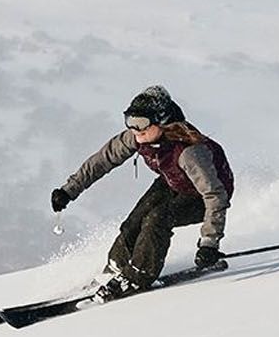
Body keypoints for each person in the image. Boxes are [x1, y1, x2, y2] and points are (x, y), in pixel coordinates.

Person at [50, 86, 234, 297]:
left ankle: (138, 276)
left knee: (157, 219)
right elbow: (102, 160)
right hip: (173, 182)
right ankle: (115, 267)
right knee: (135, 220)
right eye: (130, 121)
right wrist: (68, 191)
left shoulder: (189, 152)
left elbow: (215, 196)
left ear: (162, 122)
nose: (136, 130)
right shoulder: (137, 137)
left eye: (142, 123)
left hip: (203, 197)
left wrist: (209, 243)